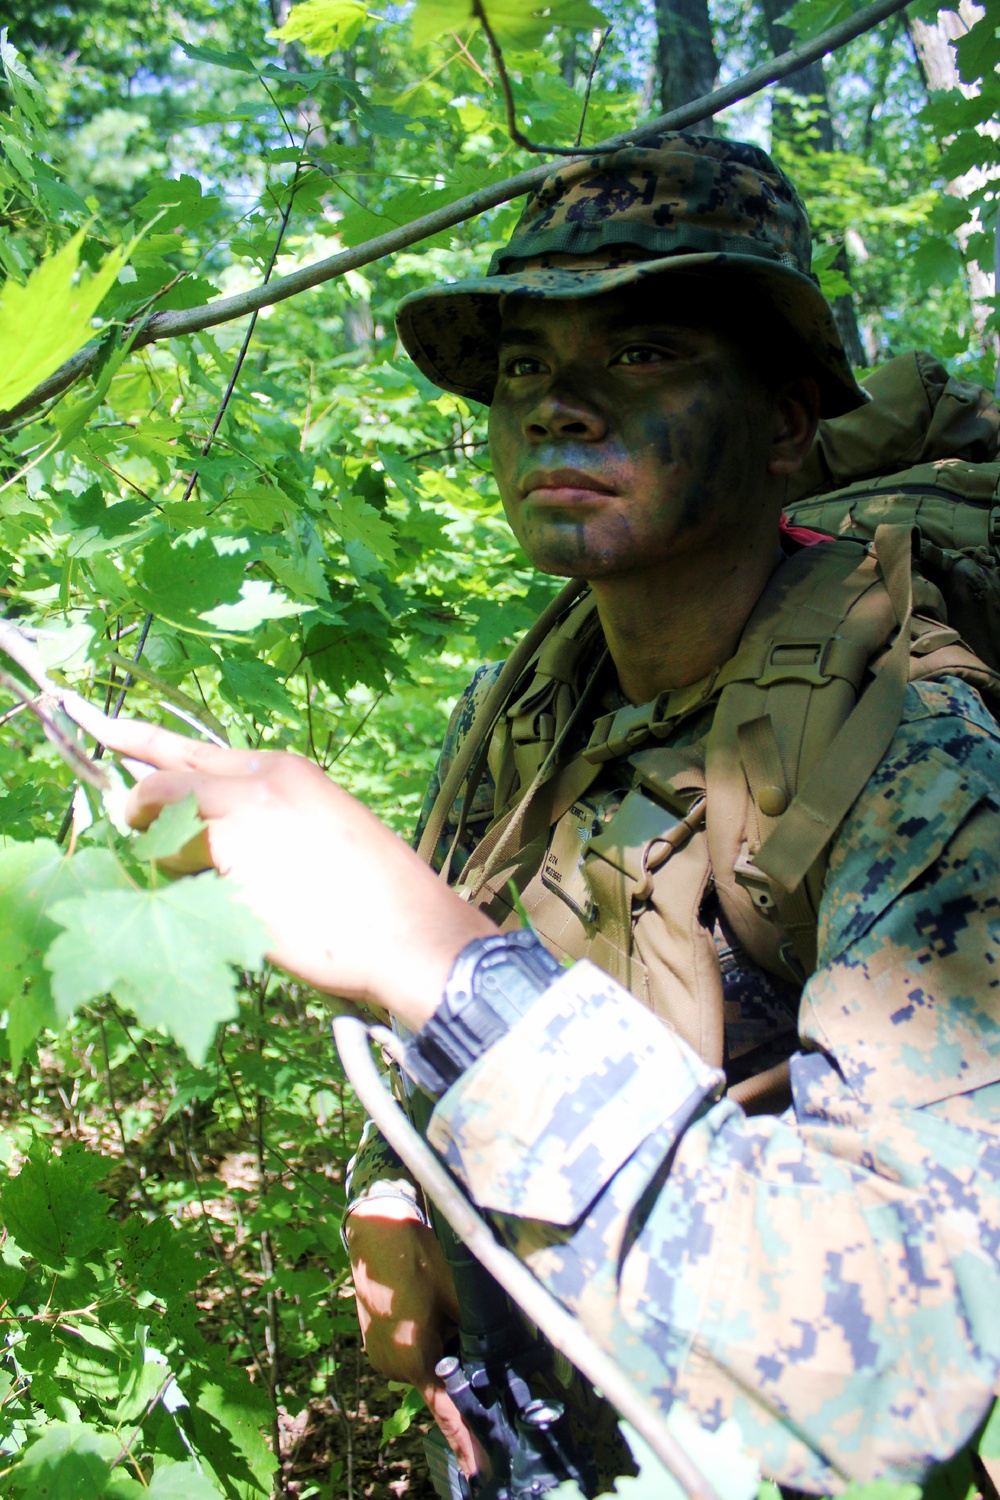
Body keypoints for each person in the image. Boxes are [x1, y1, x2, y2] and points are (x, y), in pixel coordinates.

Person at [87, 134, 1000, 1495]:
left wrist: (451, 977)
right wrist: (405, 1192)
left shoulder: (913, 749)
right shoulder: (537, 697)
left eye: (642, 354)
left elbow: (916, 1368)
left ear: (788, 420)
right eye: (523, 369)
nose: (558, 408)